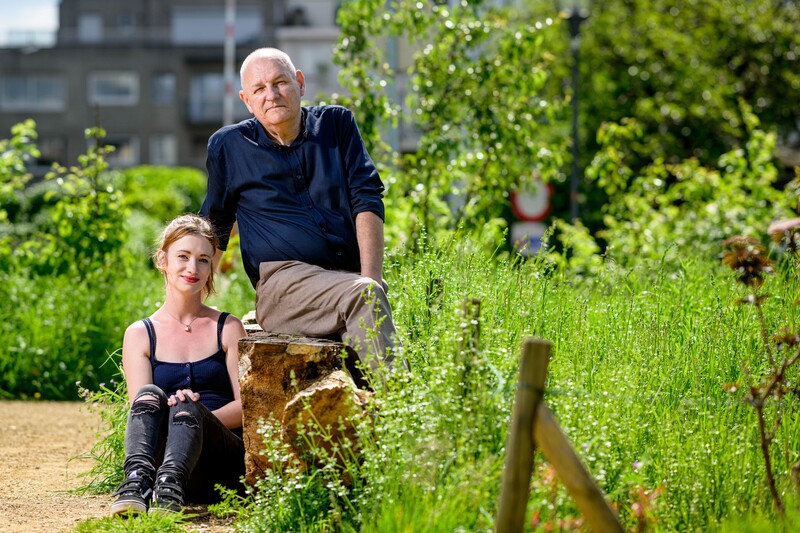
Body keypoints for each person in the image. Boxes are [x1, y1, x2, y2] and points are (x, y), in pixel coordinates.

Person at [200, 47, 401, 374]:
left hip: (345, 282)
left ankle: (374, 417)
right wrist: (193, 304)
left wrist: (372, 278)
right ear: (246, 100)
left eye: (280, 83)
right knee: (363, 297)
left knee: (362, 329)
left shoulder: (337, 124)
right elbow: (216, 224)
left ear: (300, 84)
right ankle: (401, 416)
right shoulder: (229, 146)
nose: (271, 94)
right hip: (282, 286)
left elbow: (367, 197)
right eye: (259, 89)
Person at [111, 214, 247, 516]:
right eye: (183, 257)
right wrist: (178, 418)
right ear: (162, 260)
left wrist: (194, 417)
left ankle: (170, 489)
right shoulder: (139, 334)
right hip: (161, 456)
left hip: (219, 463)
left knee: (186, 407)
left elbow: (244, 406)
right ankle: (137, 482)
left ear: (211, 266)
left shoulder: (227, 327)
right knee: (147, 394)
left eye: (203, 259)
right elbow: (141, 412)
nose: (192, 268)